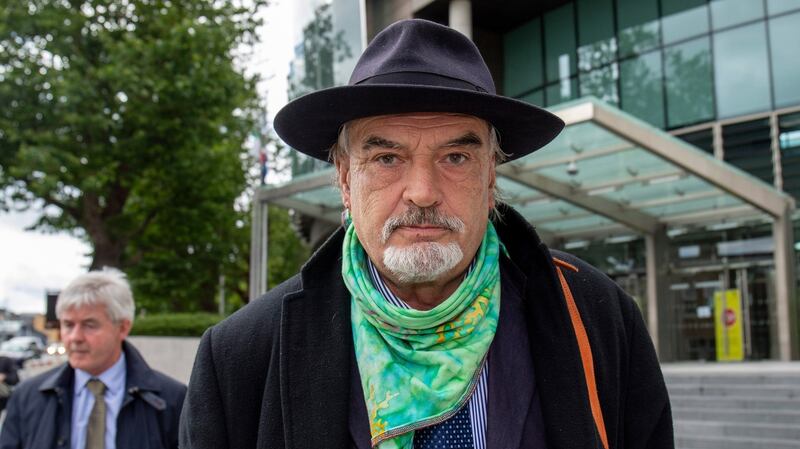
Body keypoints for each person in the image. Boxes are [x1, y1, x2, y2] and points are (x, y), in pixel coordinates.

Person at [180, 19, 673, 449]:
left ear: (491, 176)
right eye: (386, 158)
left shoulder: (597, 313)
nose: (422, 192)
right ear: (345, 179)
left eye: (455, 157)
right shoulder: (240, 357)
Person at [0, 269, 186, 449]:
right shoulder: (27, 397)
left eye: (89, 325)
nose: (75, 337)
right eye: (68, 325)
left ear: (123, 328)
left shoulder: (173, 401)